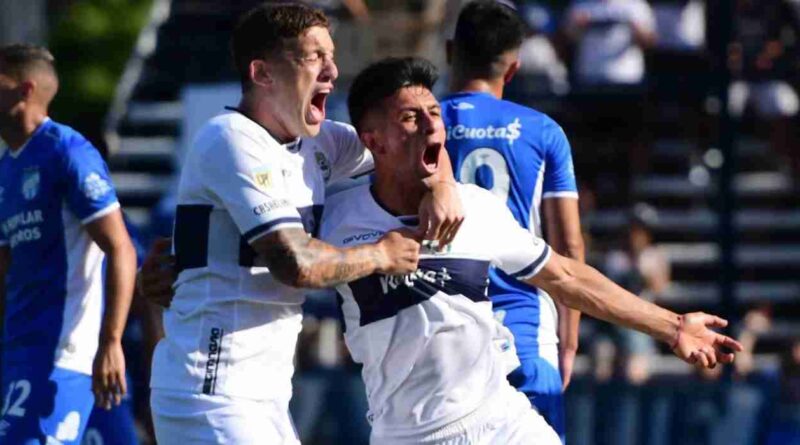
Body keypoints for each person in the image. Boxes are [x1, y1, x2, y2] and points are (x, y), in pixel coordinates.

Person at [321, 55, 741, 445]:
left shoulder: (478, 209)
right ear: (373, 141)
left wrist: (672, 326)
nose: (432, 127)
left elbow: (565, 276)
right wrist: (376, 255)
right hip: (407, 435)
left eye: (434, 113)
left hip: (501, 421)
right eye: (411, 118)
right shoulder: (335, 218)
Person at [143, 3, 462, 444]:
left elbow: (414, 144)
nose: (332, 69)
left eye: (331, 55)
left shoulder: (320, 142)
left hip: (264, 392)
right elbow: (296, 264)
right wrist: (380, 254)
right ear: (263, 73)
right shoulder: (230, 138)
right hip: (212, 387)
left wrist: (444, 187)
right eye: (313, 56)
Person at [440, 2, 582, 440]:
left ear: (449, 52)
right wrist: (569, 338)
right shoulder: (542, 131)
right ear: (514, 68)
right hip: (524, 333)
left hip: (445, 336)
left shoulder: (423, 127)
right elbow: (570, 247)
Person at [0, 44, 137, 444]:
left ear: (24, 89)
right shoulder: (7, 166)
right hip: (17, 352)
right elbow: (7, 265)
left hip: (64, 353)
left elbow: (121, 248)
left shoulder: (68, 151)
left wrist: (111, 342)